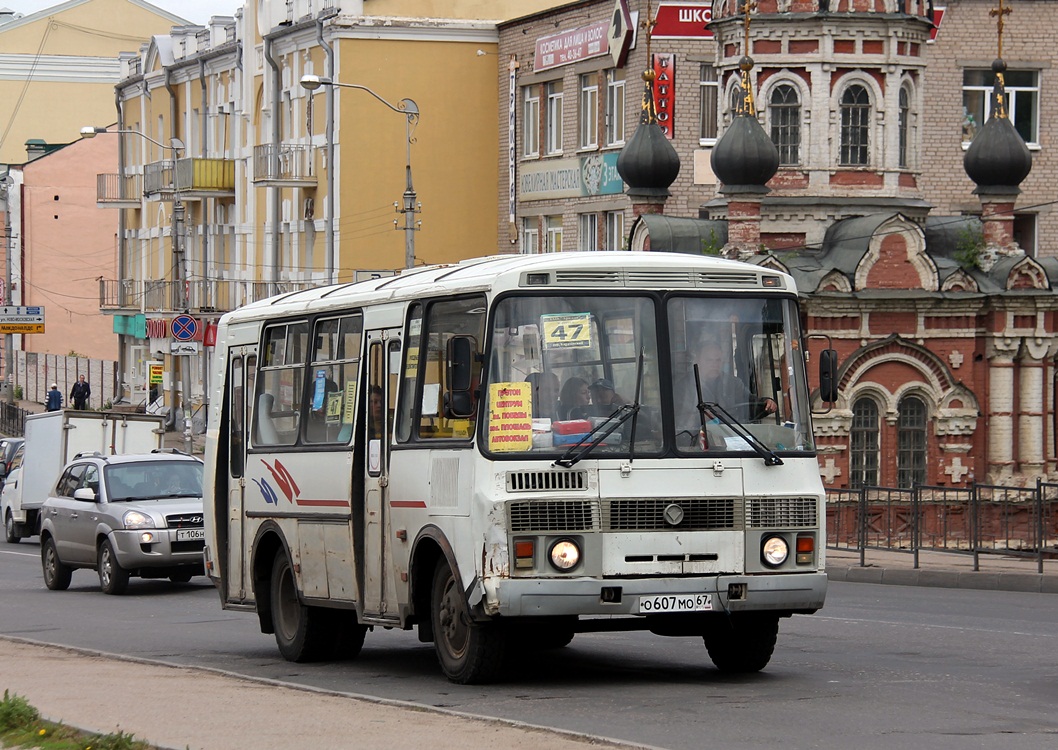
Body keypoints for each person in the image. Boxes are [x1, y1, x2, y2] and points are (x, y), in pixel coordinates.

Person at [675, 338, 776, 435]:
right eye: (709, 360)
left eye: (718, 360)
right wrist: (701, 418)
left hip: (732, 437)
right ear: (698, 361)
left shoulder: (733, 384)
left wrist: (766, 403)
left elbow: (750, 405)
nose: (714, 364)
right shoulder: (684, 387)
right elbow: (681, 421)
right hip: (698, 440)